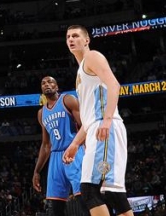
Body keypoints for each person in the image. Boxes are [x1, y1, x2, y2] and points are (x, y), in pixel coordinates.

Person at [62, 26, 131, 216]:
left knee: (90, 190)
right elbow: (88, 117)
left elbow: (114, 85)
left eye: (75, 36)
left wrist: (107, 120)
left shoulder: (92, 57)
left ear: (87, 40)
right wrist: (75, 143)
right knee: (112, 193)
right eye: (68, 37)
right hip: (95, 128)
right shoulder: (80, 70)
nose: (71, 39)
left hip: (104, 127)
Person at [33, 76, 83, 216]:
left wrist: (86, 151)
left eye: (50, 82)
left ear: (56, 87)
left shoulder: (68, 100)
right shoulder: (41, 113)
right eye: (43, 83)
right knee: (54, 205)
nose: (46, 84)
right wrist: (37, 171)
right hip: (55, 157)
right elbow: (46, 145)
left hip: (74, 151)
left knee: (84, 197)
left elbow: (84, 127)